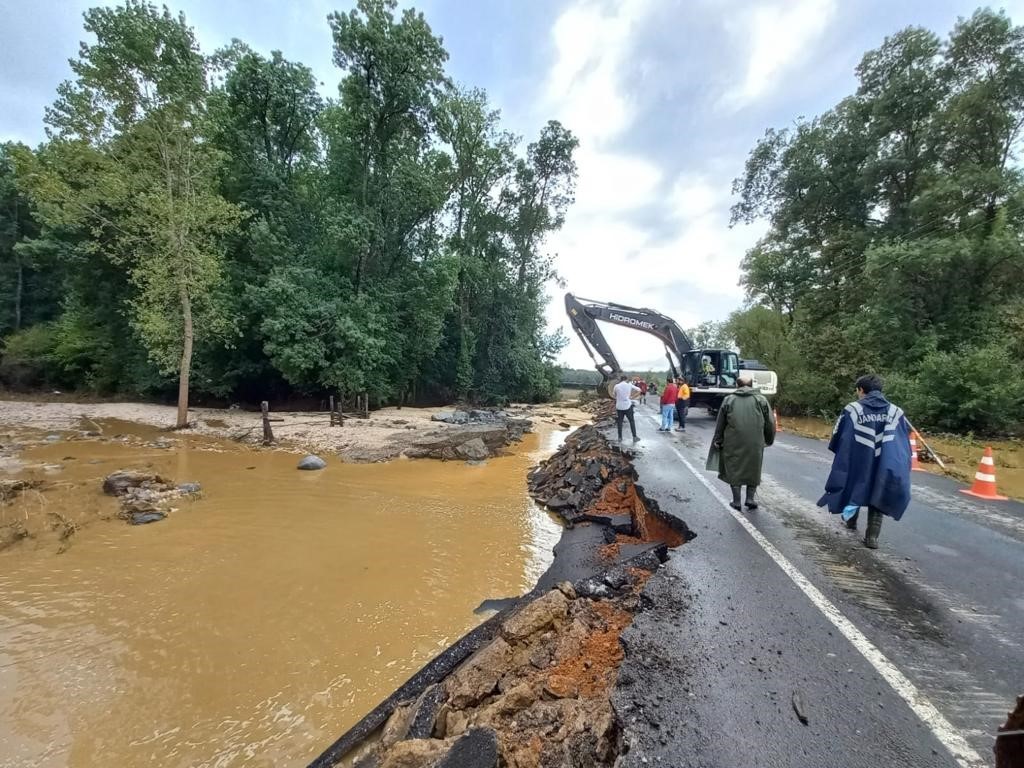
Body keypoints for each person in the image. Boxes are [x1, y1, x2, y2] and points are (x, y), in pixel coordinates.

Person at [817, 374, 911, 549]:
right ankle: (872, 537)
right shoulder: (896, 412)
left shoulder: (852, 409)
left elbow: (838, 434)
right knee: (879, 491)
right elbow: (903, 442)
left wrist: (841, 452)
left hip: (859, 457)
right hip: (885, 460)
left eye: (857, 391)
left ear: (861, 390)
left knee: (855, 485)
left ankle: (851, 521)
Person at [709, 376, 774, 510]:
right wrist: (768, 439)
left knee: (734, 468)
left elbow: (720, 423)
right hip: (755, 442)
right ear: (752, 385)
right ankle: (750, 499)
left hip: (733, 441)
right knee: (753, 467)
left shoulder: (729, 400)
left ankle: (736, 501)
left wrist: (718, 439)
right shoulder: (761, 399)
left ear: (737, 385)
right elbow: (770, 423)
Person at [612, 375, 641, 443]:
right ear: (626, 379)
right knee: (631, 421)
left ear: (620, 379)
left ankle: (620, 437)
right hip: (628, 406)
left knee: (620, 422)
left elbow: (614, 395)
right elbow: (639, 390)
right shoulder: (629, 385)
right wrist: (632, 397)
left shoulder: (616, 386)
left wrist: (618, 397)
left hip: (619, 406)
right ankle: (634, 437)